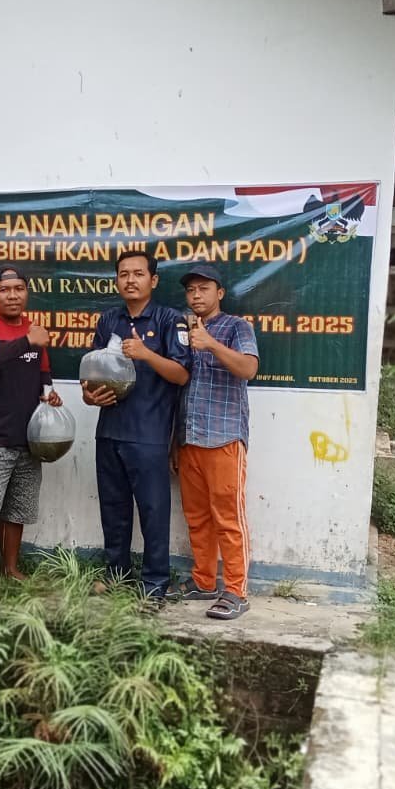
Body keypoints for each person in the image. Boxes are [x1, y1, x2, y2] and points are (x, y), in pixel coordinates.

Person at [82, 249, 191, 602]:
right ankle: (116, 575)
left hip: (149, 433)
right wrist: (89, 396)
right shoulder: (108, 321)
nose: (130, 280)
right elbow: (92, 373)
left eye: (138, 273)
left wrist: (146, 354)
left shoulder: (169, 320)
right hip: (109, 430)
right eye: (123, 274)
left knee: (153, 511)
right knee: (113, 510)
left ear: (153, 280)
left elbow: (181, 374)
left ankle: (155, 583)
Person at [0, 265, 63, 595]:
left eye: (19, 288)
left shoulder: (34, 330)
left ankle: (10, 568)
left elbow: (44, 375)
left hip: (29, 440)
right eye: (5, 290)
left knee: (17, 510)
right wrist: (26, 341)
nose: (13, 295)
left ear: (26, 293)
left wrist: (50, 395)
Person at [167, 264, 259, 620]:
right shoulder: (181, 331)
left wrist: (210, 343)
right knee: (197, 517)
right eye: (191, 290)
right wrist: (175, 441)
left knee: (228, 517)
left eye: (203, 288)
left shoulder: (236, 327)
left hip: (224, 437)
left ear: (219, 293)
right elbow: (179, 387)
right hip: (189, 438)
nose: (196, 295)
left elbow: (248, 369)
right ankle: (203, 581)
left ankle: (236, 591)